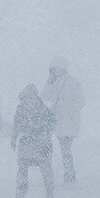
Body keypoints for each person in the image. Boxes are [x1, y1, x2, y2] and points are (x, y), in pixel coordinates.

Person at [40, 57, 84, 185]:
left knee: (65, 148)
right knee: (64, 149)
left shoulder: (72, 81)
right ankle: (69, 173)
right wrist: (48, 83)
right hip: (58, 122)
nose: (54, 71)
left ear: (63, 68)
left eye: (56, 68)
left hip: (69, 121)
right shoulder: (53, 83)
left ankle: (69, 174)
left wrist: (72, 112)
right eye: (52, 69)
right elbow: (44, 96)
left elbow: (81, 100)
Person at [10, 84, 56, 198]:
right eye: (27, 97)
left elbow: (51, 126)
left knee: (46, 170)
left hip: (41, 145)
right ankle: (20, 196)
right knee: (22, 171)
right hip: (25, 145)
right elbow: (16, 126)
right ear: (24, 98)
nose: (30, 99)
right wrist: (13, 139)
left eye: (32, 97)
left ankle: (49, 195)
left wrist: (45, 139)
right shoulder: (20, 109)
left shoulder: (45, 111)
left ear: (36, 97)